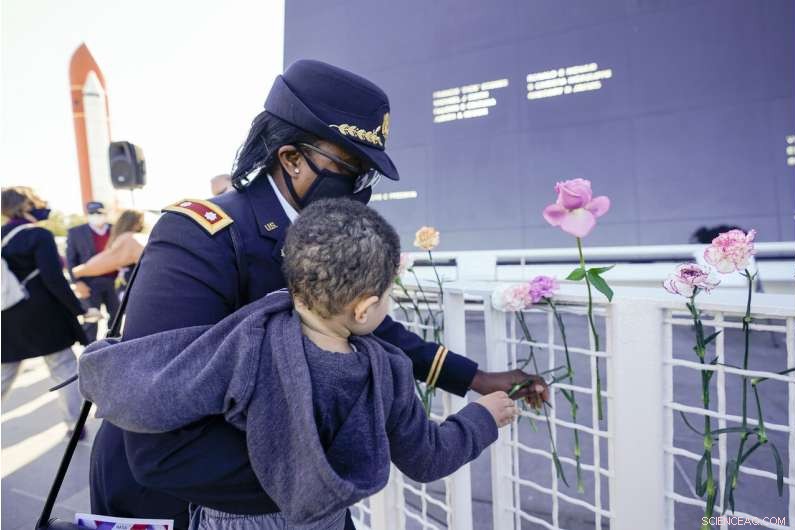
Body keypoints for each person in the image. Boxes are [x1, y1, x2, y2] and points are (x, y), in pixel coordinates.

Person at [89, 59, 548, 529]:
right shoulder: (202, 236)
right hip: (186, 500)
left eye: (366, 173)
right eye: (350, 168)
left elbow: (375, 328)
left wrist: (474, 379)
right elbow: (160, 436)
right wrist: (322, 466)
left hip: (294, 500)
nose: (357, 187)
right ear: (291, 158)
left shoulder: (320, 236)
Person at [80, 199, 515, 529]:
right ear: (364, 309)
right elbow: (427, 459)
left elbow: (163, 386)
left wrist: (103, 361)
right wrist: (483, 418)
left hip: (231, 517)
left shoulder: (249, 334)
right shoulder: (387, 370)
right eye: (388, 294)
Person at [1, 187, 88, 434]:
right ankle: (74, 425)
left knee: (4, 374)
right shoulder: (38, 235)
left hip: (6, 315)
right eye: (37, 201)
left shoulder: (1, 235)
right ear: (26, 205)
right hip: (43, 316)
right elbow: (53, 279)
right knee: (63, 368)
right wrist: (78, 308)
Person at [66, 201, 120, 340]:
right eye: (92, 213)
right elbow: (71, 259)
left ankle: (112, 344)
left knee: (116, 317)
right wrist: (77, 282)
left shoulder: (116, 230)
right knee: (91, 319)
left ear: (105, 213)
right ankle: (89, 351)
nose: (96, 216)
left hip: (114, 282)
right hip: (89, 283)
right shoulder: (76, 232)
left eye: (99, 213)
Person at [72, 210, 146, 301]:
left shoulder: (129, 238)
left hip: (136, 290)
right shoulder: (136, 237)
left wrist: (77, 272)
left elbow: (104, 262)